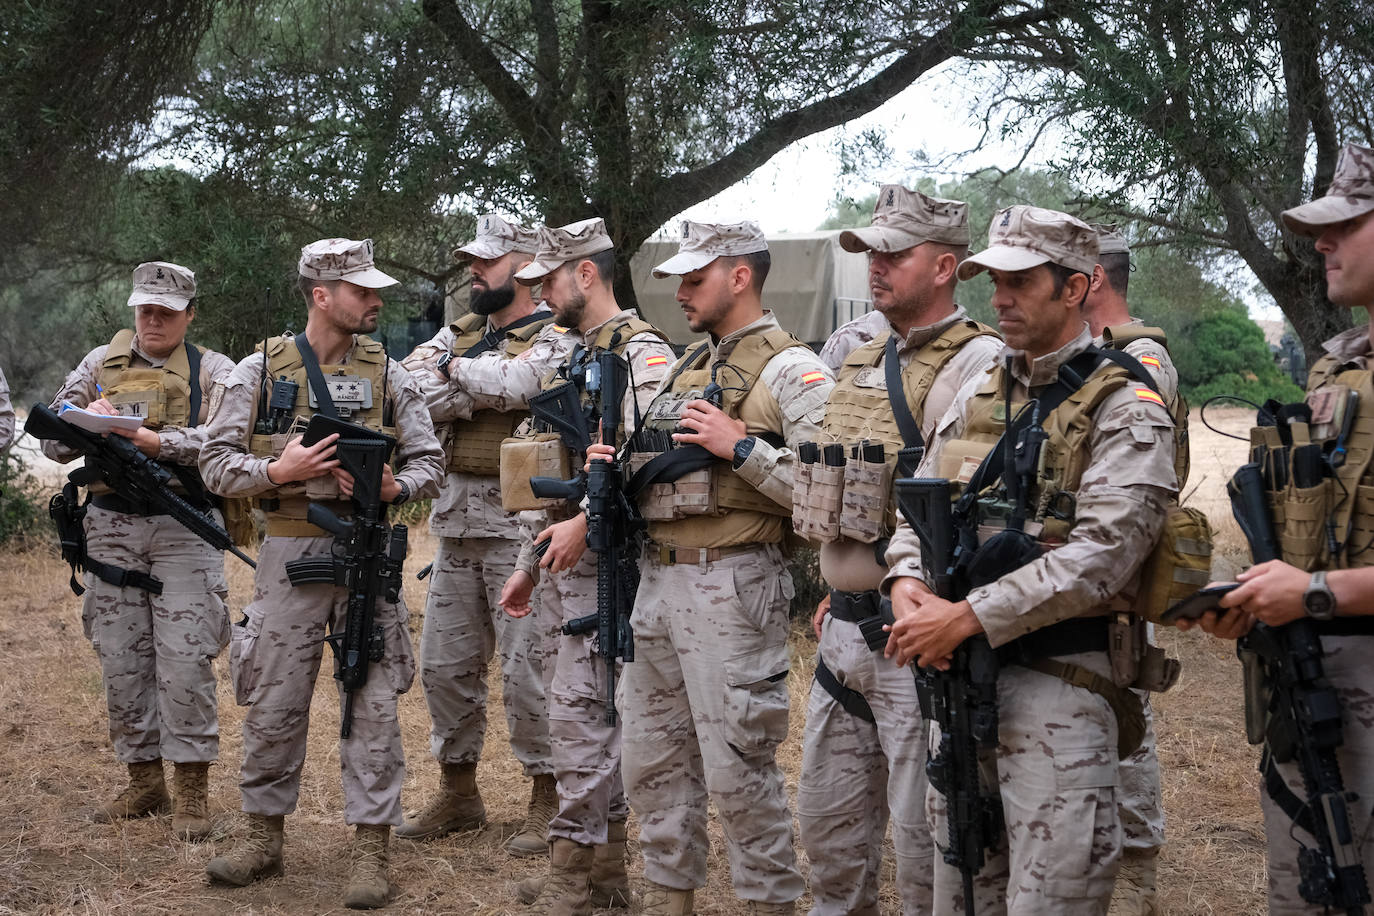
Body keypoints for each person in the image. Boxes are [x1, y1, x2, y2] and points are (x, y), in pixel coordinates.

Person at [883, 205, 1177, 915]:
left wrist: (969, 616)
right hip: (961, 687)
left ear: (1074, 288)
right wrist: (905, 583)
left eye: (1019, 281)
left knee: (1051, 897)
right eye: (992, 281)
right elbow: (914, 507)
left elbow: (1101, 558)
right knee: (962, 890)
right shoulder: (984, 393)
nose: (1000, 299)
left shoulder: (1126, 405)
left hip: (1061, 691)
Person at [594, 219, 835, 916]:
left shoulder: (792, 369)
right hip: (660, 583)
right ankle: (671, 901)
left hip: (734, 584)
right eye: (676, 280)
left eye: (695, 279)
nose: (680, 293)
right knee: (653, 766)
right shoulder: (684, 366)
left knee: (739, 769)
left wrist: (743, 450)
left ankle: (768, 903)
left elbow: (833, 496)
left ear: (740, 276)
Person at [199, 238, 444, 909]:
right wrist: (281, 472)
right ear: (320, 295)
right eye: (362, 291)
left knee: (371, 698)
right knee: (275, 697)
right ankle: (262, 838)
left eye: (375, 290)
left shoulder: (390, 374)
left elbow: (431, 462)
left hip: (367, 553)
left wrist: (399, 487)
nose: (375, 301)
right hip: (290, 552)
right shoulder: (258, 371)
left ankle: (371, 846)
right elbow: (214, 465)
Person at [796, 187, 1001, 916]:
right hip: (844, 632)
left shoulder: (981, 365)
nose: (875, 268)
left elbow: (979, 518)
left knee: (927, 851)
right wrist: (840, 583)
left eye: (894, 254)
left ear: (945, 266)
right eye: (870, 255)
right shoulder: (856, 352)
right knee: (828, 833)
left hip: (913, 639)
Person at [1192, 141, 1374, 914]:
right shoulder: (1340, 370)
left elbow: (1321, 580)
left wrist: (1316, 594)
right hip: (1314, 697)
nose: (1322, 244)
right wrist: (1261, 602)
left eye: (1347, 224)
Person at [491, 217, 676, 913]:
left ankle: (575, 879)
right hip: (570, 574)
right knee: (590, 724)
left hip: (619, 574)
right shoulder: (576, 355)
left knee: (584, 723)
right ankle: (606, 875)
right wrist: (530, 565)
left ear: (587, 275)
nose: (540, 295)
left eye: (548, 281)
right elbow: (565, 479)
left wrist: (583, 527)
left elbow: (656, 465)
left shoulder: (645, 356)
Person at [41, 262, 236, 841]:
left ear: (189, 314)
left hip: (184, 527)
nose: (151, 320)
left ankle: (192, 792)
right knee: (122, 659)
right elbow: (50, 437)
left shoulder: (215, 371)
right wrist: (87, 423)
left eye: (165, 312)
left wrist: (159, 441)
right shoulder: (99, 364)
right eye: (144, 309)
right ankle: (144, 780)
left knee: (186, 660)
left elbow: (229, 441)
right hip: (110, 528)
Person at [396, 215, 557, 856]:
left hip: (523, 528)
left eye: (488, 262)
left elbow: (522, 384)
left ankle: (549, 796)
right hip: (458, 522)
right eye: (473, 261)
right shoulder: (459, 333)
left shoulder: (556, 334)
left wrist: (457, 380)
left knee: (530, 671)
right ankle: (458, 791)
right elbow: (404, 391)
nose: (475, 273)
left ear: (525, 267)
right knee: (444, 667)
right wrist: (474, 392)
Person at [1085, 225, 1181, 916]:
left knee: (1126, 719)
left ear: (1090, 279)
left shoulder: (1141, 358)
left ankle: (1138, 876)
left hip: (1116, 577)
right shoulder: (1089, 356)